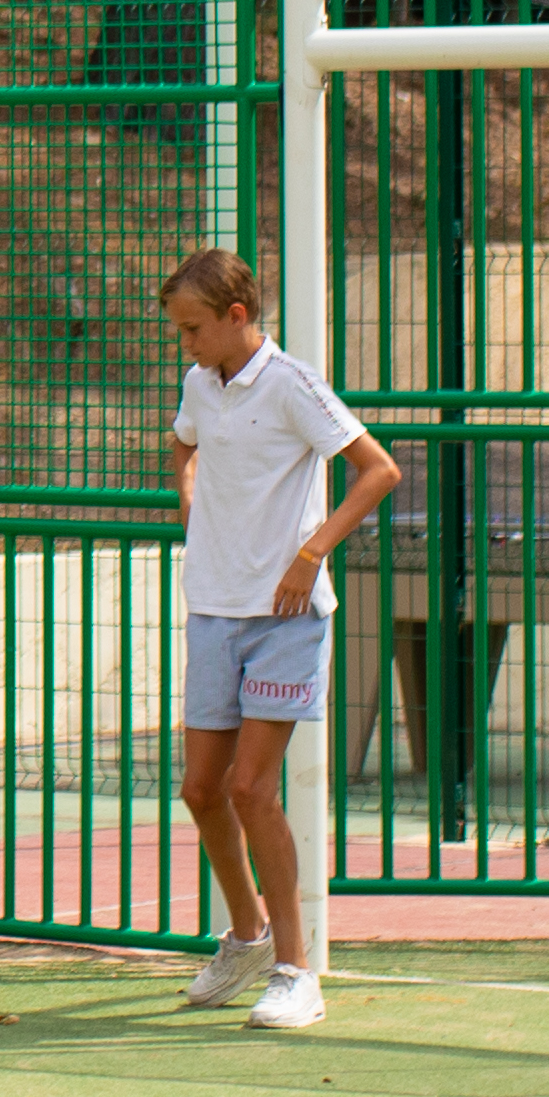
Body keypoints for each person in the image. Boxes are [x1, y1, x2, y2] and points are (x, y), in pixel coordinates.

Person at [164, 243, 399, 1030]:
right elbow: (185, 440)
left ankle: (299, 972)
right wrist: (188, 489)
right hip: (214, 608)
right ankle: (247, 938)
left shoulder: (294, 383)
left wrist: (310, 552)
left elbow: (378, 470)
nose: (186, 345)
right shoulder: (201, 381)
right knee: (201, 789)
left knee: (250, 789)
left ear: (237, 316)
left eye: (194, 328)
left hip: (288, 618)